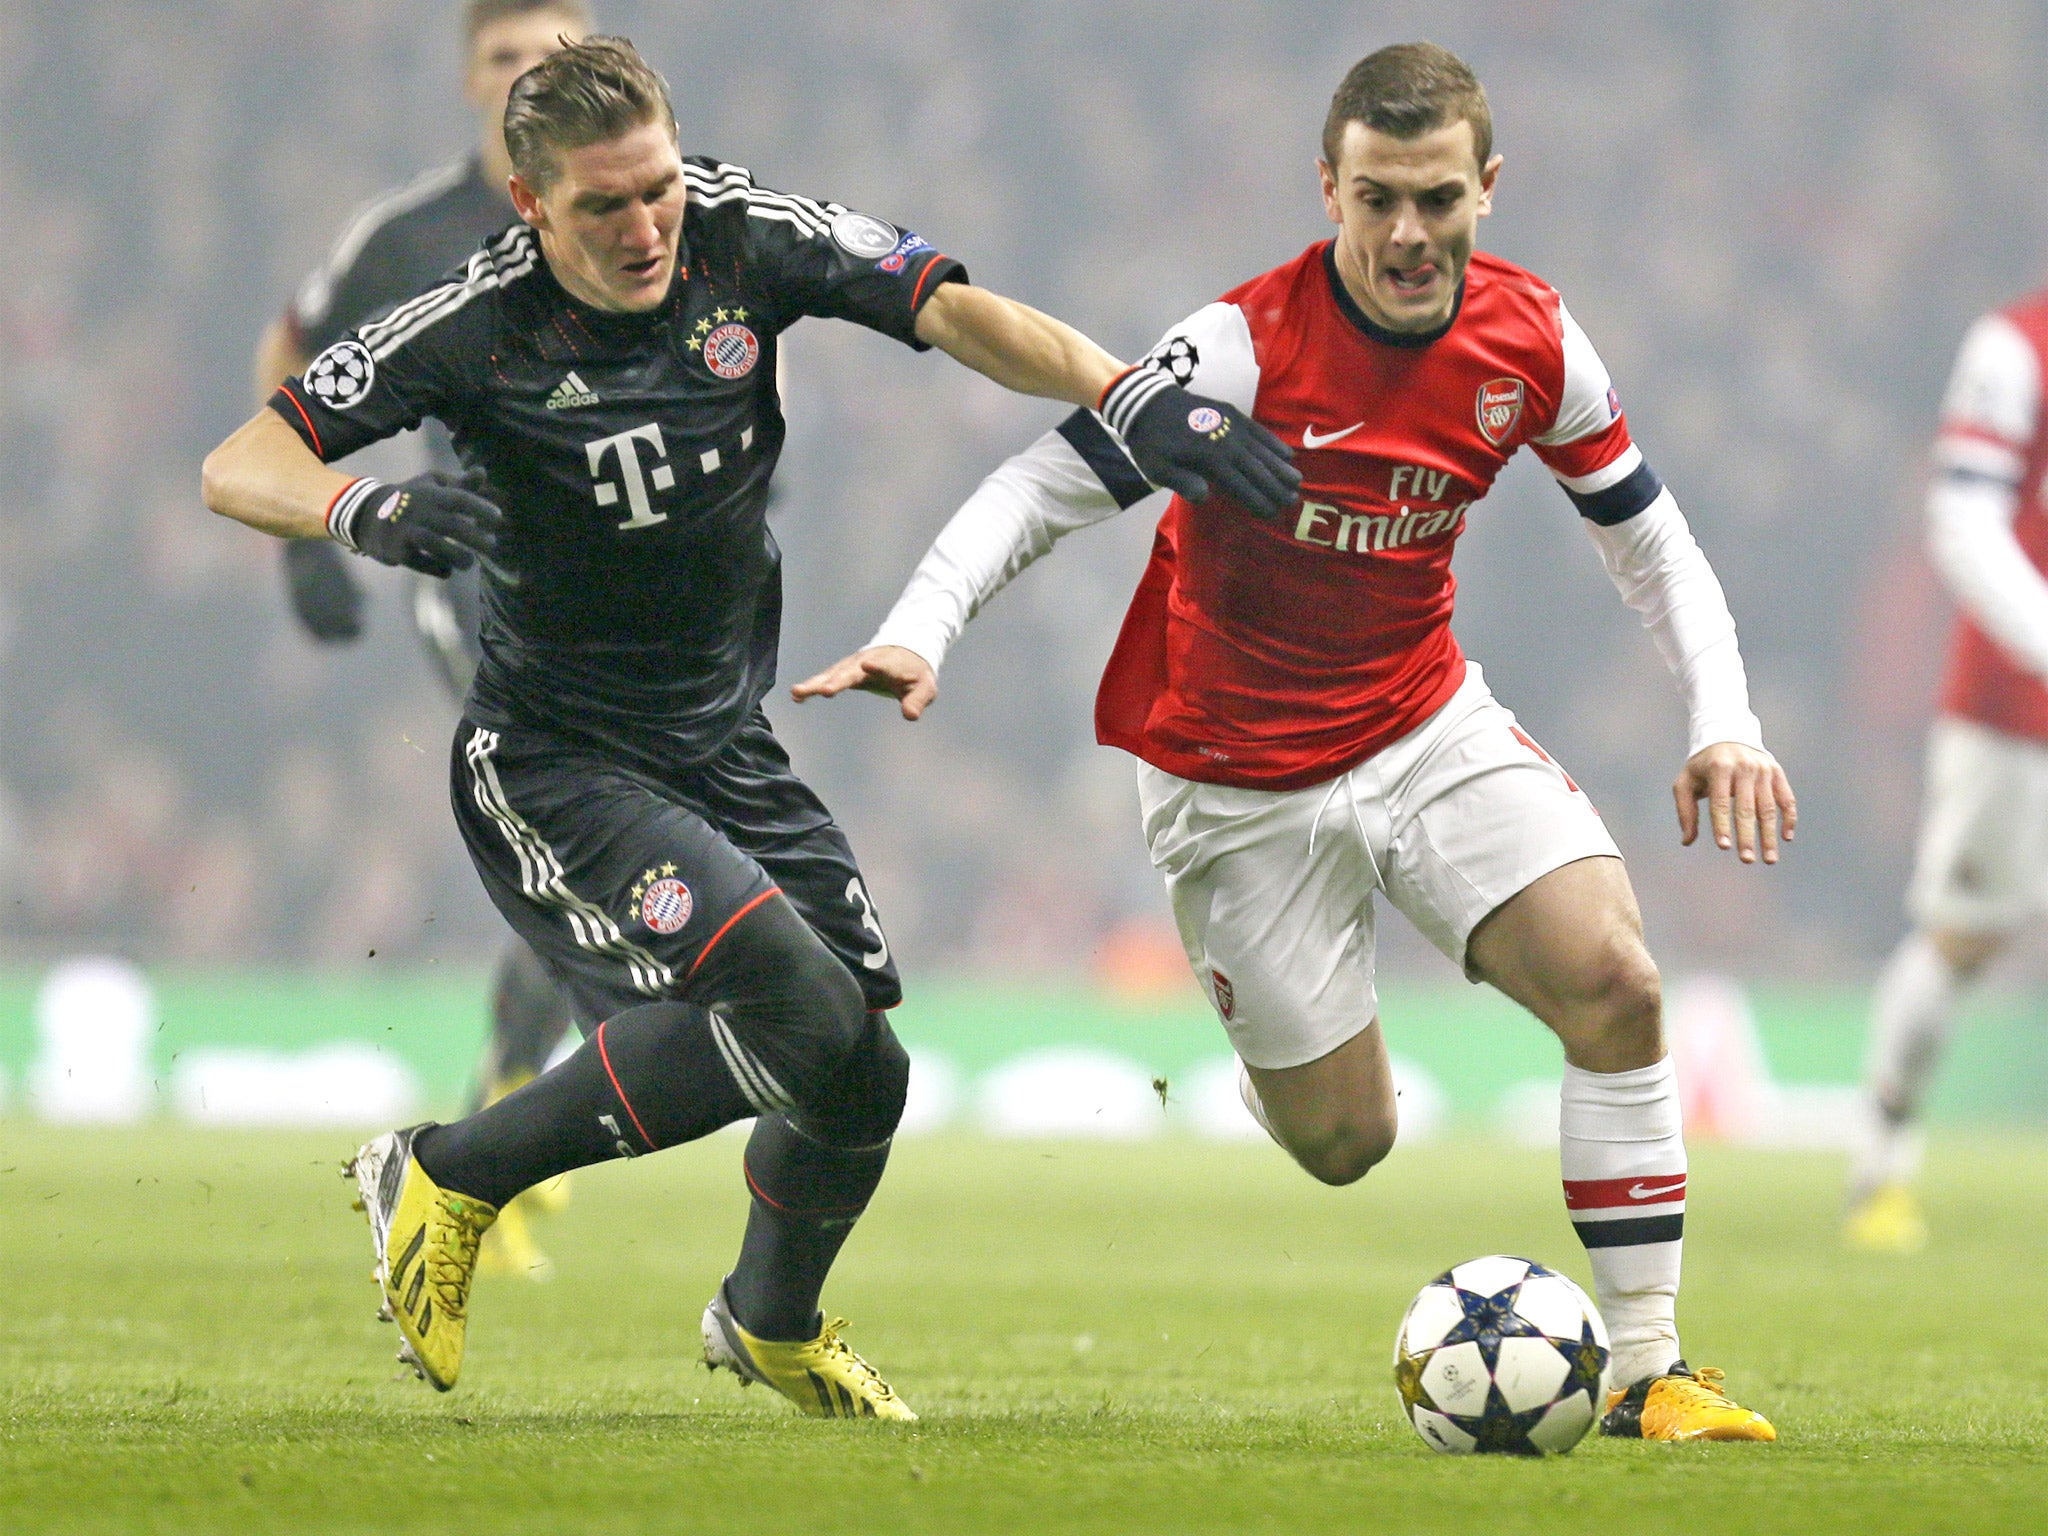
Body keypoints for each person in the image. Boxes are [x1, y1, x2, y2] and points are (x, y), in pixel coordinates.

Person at [201, 36, 1296, 1418]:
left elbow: (951, 308)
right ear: (532, 208)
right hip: (558, 760)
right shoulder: (469, 324)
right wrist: (359, 509)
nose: (647, 224)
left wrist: (1121, 386)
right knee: (785, 1002)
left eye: (657, 185)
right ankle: (447, 1171)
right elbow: (242, 459)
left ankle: (768, 1319)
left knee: (862, 1070)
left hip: (720, 744)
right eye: (604, 206)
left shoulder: (740, 235)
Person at [797, 42, 1795, 1442]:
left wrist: (1726, 721)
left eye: (1436, 198)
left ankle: (1651, 1372)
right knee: (1347, 1145)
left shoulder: (1536, 340)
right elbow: (1043, 483)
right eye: (1376, 197)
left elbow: (1653, 542)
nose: (1405, 233)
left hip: (1420, 719)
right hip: (1231, 778)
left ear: (1487, 190)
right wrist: (923, 625)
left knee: (1618, 986)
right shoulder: (1241, 346)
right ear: (1326, 186)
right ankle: (1288, 1046)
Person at [254, 0, 593, 1280]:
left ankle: (516, 1104)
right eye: (507, 58)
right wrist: (305, 533)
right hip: (482, 578)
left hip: (642, 596)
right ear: (467, 82)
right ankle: (503, 1144)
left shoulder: (650, 206)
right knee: (580, 823)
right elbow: (291, 352)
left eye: (555, 55)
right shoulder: (409, 238)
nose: (531, 76)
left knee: (603, 848)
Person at [1844, 287, 2048, 1252]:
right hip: (2016, 711)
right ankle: (1881, 1158)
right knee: (1965, 936)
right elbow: (1965, 522)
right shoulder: (2015, 346)